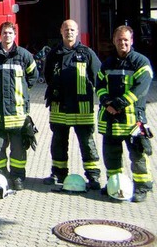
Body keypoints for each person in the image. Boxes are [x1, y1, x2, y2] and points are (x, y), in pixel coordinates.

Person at [97, 25, 154, 202]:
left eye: (125, 40)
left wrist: (118, 104)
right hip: (111, 119)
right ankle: (115, 185)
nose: (122, 43)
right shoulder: (107, 63)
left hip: (132, 121)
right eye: (119, 40)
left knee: (138, 156)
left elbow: (140, 89)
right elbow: (99, 86)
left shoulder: (141, 62)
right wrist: (107, 102)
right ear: (114, 41)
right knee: (111, 157)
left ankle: (142, 187)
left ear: (131, 41)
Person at [43, 19, 102, 189]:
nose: (69, 32)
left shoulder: (87, 53)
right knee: (59, 141)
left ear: (77, 32)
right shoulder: (54, 53)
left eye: (72, 29)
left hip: (82, 107)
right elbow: (48, 76)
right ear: (61, 31)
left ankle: (93, 176)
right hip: (59, 105)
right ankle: (58, 173)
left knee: (87, 142)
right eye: (66, 29)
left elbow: (98, 77)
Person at [0, 22, 38, 191]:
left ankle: (18, 177)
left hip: (18, 114)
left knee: (18, 151)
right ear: (0, 34)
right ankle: (0, 177)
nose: (7, 36)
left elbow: (33, 77)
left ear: (15, 34)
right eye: (4, 33)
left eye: (10, 33)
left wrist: (22, 93)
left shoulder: (24, 56)